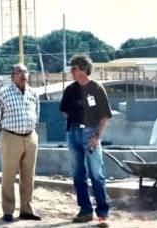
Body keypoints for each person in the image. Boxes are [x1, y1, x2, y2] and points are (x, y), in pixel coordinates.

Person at [60, 55, 112, 227]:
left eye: (73, 68)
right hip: (72, 132)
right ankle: (85, 210)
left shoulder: (97, 88)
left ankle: (102, 213)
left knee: (96, 173)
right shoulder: (70, 90)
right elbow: (64, 111)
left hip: (91, 133)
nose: (71, 71)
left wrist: (96, 135)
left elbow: (105, 116)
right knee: (78, 174)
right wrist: (76, 124)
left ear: (83, 69)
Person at [0, 63, 41, 222]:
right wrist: (4, 136)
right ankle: (8, 211)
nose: (23, 74)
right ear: (12, 75)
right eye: (19, 72)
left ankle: (26, 209)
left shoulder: (33, 93)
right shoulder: (4, 93)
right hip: (10, 138)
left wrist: (30, 131)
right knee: (8, 175)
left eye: (25, 71)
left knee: (28, 176)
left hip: (30, 138)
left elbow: (37, 114)